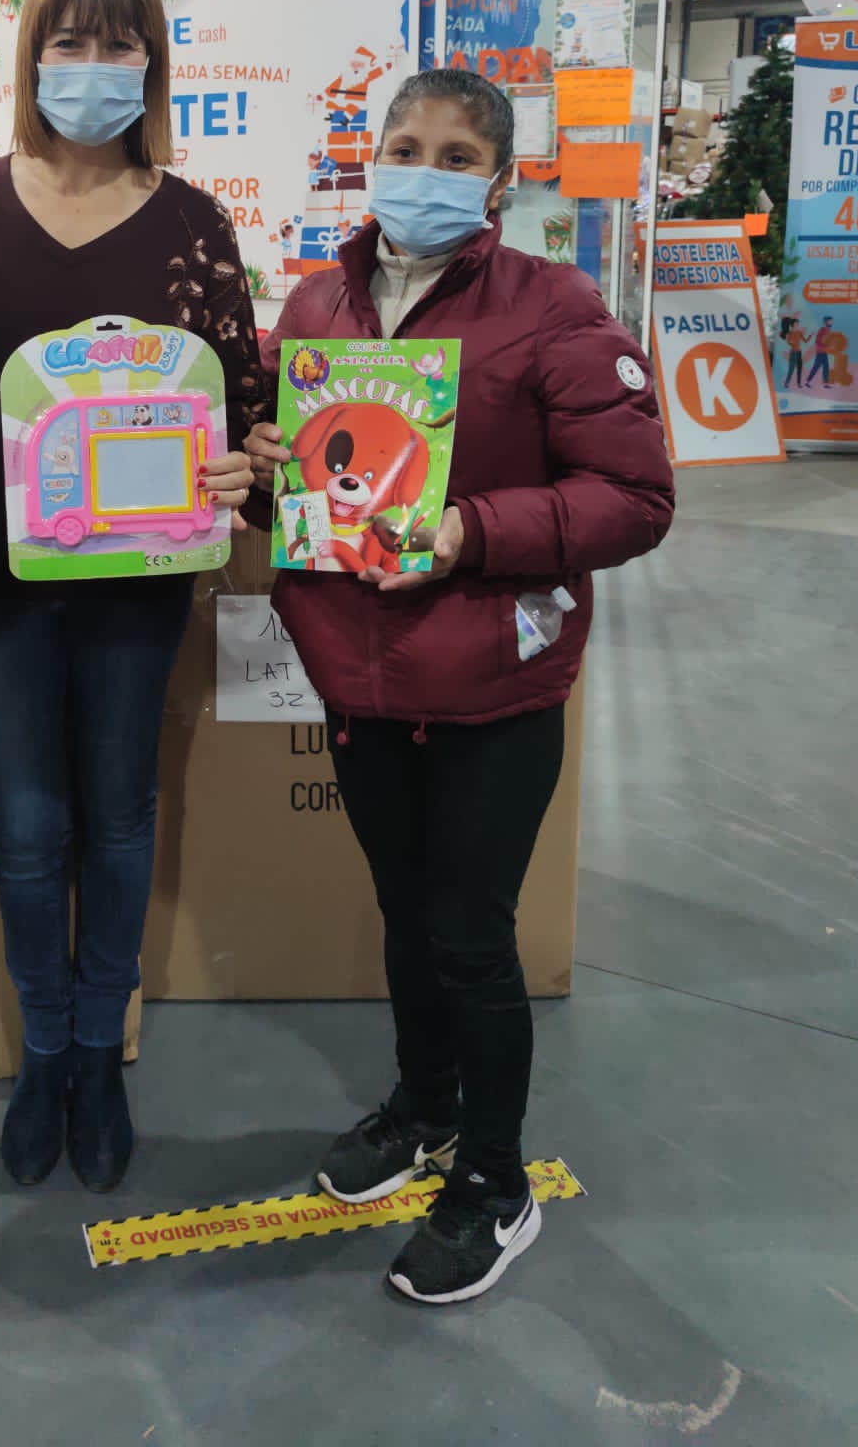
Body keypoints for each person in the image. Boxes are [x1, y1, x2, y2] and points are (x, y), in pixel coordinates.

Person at [247, 68, 674, 1307]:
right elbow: (311, 489)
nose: (420, 172)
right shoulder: (319, 299)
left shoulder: (554, 304)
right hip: (357, 673)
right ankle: (424, 1106)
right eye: (403, 146)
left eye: (452, 155)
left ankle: (494, 1177)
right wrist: (267, 464)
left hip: (492, 678)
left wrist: (470, 530)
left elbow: (635, 496)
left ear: (498, 180)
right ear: (370, 154)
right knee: (404, 910)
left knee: (471, 934)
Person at [0, 0, 264, 1194]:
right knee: (29, 821)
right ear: (32, 58)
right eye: (69, 42)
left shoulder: (193, 223)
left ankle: (100, 1049)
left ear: (150, 62)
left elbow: (244, 400)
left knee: (117, 816)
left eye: (118, 44)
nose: (93, 67)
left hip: (140, 582)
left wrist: (243, 464)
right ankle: (41, 1048)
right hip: (2, 581)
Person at [780, 314, 810, 388]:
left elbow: (805, 341)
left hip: (799, 353)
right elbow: (788, 342)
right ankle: (786, 383)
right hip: (793, 353)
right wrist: (792, 342)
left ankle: (799, 384)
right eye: (796, 323)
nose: (797, 325)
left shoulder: (799, 332)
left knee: (799, 369)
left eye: (798, 323)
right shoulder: (789, 333)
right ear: (793, 324)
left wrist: (810, 336)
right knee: (791, 369)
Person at [806, 316, 834, 387]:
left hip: (824, 352)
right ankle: (807, 382)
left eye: (831, 321)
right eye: (830, 321)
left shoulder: (828, 330)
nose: (831, 322)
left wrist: (829, 344)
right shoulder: (822, 330)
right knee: (816, 367)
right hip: (820, 352)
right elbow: (817, 341)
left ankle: (825, 384)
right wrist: (826, 345)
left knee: (826, 367)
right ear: (826, 322)